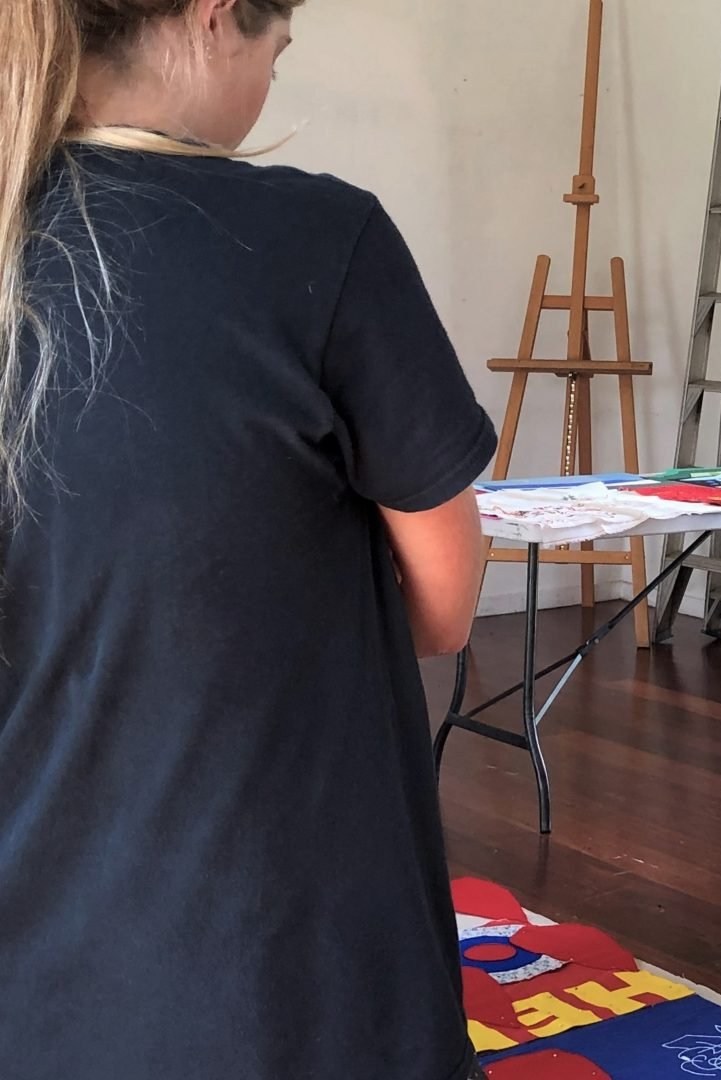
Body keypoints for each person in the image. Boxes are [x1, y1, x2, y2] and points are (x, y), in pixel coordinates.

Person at [1, 2, 496, 1077]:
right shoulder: (317, 240)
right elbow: (447, 606)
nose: (272, 83)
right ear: (217, 17)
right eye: (278, 52)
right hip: (282, 964)